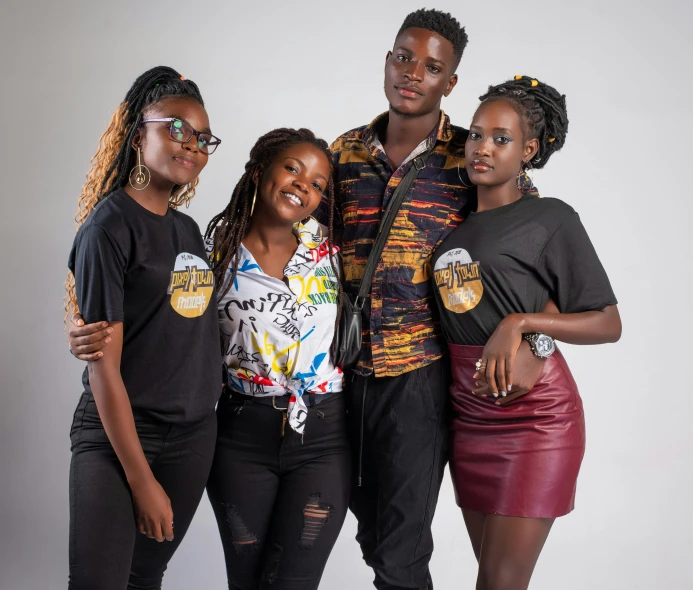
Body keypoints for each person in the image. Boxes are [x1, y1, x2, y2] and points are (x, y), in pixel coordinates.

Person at [314, 9, 539, 590]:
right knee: (365, 531)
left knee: (400, 547)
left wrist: (527, 333)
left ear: (451, 83)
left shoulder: (473, 158)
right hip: (339, 373)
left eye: (432, 66)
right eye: (403, 57)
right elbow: (298, 251)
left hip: (422, 375)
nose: (412, 74)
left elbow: (532, 252)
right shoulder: (342, 154)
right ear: (388, 60)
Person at [68, 127, 350, 589]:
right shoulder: (209, 256)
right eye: (293, 169)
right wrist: (84, 332)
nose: (304, 185)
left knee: (294, 580)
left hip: (323, 434)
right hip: (241, 434)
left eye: (318, 183)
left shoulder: (337, 252)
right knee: (244, 578)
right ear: (260, 172)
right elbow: (155, 318)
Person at [430, 76, 621, 590]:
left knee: (498, 581)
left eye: (501, 138)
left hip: (536, 418)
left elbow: (607, 320)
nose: (482, 148)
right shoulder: (452, 228)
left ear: (529, 150)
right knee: (493, 580)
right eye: (474, 135)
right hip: (470, 417)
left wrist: (524, 325)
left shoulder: (549, 218)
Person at [65, 66, 223, 590]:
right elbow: (103, 371)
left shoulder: (188, 229)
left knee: (142, 581)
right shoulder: (108, 227)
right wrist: (141, 479)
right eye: (176, 128)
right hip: (119, 440)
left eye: (202, 138)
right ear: (139, 135)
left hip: (192, 438)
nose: (192, 145)